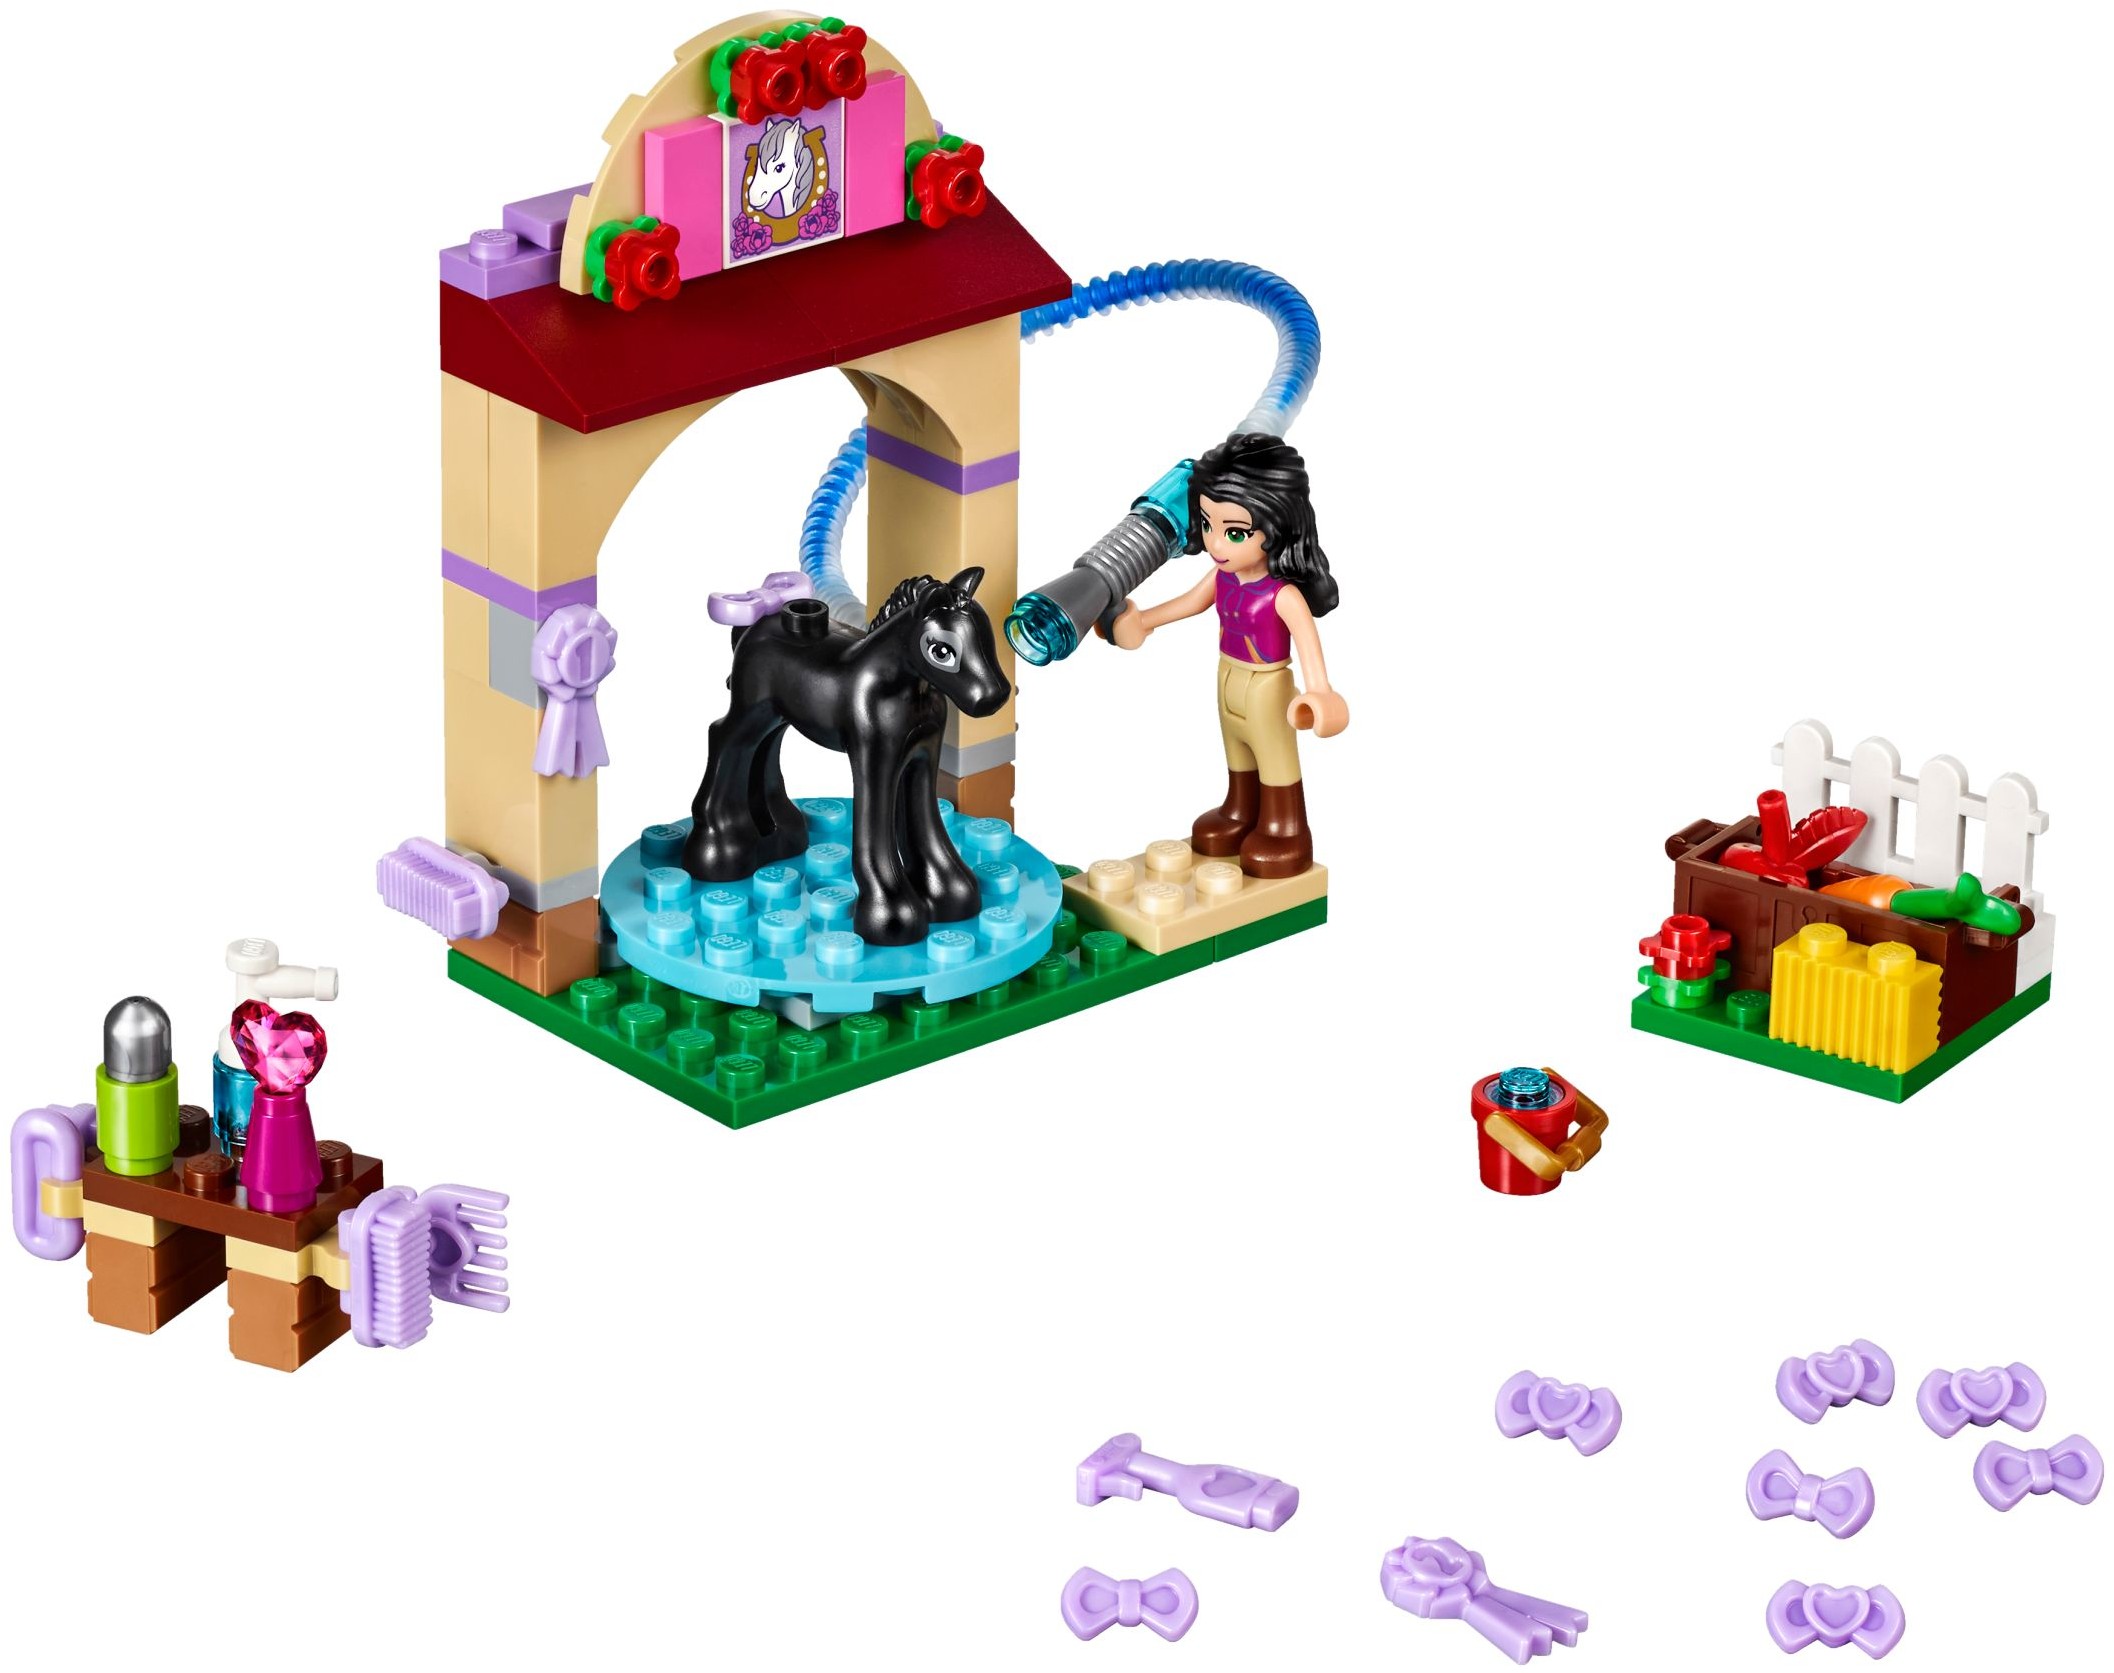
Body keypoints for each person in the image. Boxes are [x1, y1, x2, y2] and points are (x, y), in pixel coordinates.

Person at [1107, 433, 1348, 876]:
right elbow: (1189, 603)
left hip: (1268, 686)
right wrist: (1143, 622)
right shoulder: (1222, 577)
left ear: (1276, 527)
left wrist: (1319, 692)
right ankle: (1241, 811)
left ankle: (1286, 828)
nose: (1216, 545)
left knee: (1274, 754)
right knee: (1237, 749)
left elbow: (1307, 642)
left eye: (1235, 533)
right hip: (1227, 676)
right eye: (1207, 524)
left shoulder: (1282, 594)